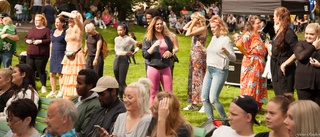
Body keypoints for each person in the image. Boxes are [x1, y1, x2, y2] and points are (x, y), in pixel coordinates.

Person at [202, 15, 236, 122]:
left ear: (220, 27)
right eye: (211, 27)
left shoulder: (226, 40)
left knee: (213, 99)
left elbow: (233, 58)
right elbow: (211, 52)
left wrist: (226, 51)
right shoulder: (213, 38)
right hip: (210, 70)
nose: (212, 30)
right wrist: (203, 48)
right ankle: (211, 122)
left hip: (219, 71)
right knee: (204, 98)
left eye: (214, 27)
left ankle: (225, 121)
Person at [236, 15, 267, 110]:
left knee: (259, 83)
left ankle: (258, 105)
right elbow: (238, 44)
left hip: (259, 63)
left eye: (260, 23)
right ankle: (248, 105)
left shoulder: (259, 34)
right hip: (251, 63)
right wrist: (246, 54)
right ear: (252, 25)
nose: (260, 24)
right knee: (251, 83)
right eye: (257, 23)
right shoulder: (248, 35)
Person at [142, 16, 173, 106]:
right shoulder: (148, 39)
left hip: (165, 67)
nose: (159, 26)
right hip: (153, 67)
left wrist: (169, 52)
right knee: (153, 93)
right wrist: (154, 46)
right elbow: (145, 55)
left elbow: (171, 49)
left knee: (169, 93)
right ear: (153, 25)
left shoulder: (166, 38)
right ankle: (152, 116)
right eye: (157, 24)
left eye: (161, 24)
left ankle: (170, 114)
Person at [58, 10, 86, 99]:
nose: (70, 20)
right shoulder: (68, 30)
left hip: (76, 56)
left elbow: (75, 17)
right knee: (66, 78)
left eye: (71, 19)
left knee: (75, 78)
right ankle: (67, 97)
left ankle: (76, 96)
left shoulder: (79, 27)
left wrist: (63, 12)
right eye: (68, 19)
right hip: (68, 56)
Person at [270, 7, 298, 96]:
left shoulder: (289, 33)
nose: (273, 18)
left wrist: (285, 64)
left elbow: (297, 52)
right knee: (278, 97)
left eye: (274, 15)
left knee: (285, 99)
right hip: (275, 68)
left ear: (279, 17)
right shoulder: (279, 31)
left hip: (284, 70)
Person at [183, 12, 207, 111]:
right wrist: (192, 21)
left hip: (199, 55)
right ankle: (194, 103)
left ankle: (203, 102)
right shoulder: (197, 28)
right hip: (194, 55)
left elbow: (187, 34)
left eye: (194, 19)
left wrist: (193, 22)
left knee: (198, 78)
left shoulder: (203, 28)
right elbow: (184, 28)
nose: (192, 21)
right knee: (193, 79)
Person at [294, 23, 320, 105]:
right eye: (306, 33)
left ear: (318, 34)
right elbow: (301, 56)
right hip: (303, 83)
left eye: (312, 34)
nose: (308, 36)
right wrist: (313, 47)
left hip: (318, 84)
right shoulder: (301, 44)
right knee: (305, 109)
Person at [24, 14, 51, 94]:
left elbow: (49, 40)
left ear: (42, 21)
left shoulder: (46, 30)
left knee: (41, 71)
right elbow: (26, 37)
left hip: (41, 54)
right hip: (30, 53)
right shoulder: (32, 29)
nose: (36, 22)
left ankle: (43, 86)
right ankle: (30, 85)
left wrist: (41, 41)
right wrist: (27, 41)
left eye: (38, 20)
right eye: (35, 20)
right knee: (29, 70)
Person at [70, 69, 100, 136]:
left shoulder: (95, 106)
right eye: (77, 83)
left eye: (79, 83)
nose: (76, 86)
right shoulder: (73, 100)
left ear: (90, 86)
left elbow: (84, 133)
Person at [114, 24, 139, 99]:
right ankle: (119, 96)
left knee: (122, 80)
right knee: (117, 80)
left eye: (121, 30)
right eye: (118, 30)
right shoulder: (116, 39)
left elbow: (138, 45)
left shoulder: (128, 39)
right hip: (117, 58)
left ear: (125, 30)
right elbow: (116, 48)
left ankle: (129, 96)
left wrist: (134, 52)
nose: (119, 32)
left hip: (124, 59)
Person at [46, 16, 67, 98]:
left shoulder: (65, 31)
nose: (56, 23)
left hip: (61, 53)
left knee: (60, 73)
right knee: (52, 73)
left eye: (58, 22)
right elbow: (51, 43)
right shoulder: (52, 31)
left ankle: (61, 91)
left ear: (62, 23)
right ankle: (53, 91)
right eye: (56, 22)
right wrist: (50, 54)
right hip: (53, 54)